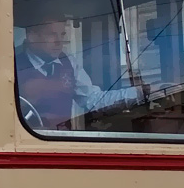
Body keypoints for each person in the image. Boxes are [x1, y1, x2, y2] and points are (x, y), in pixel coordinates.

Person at [14, 17, 146, 130]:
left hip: (61, 141)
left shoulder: (69, 63)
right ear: (32, 36)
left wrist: (141, 92)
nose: (59, 42)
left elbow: (93, 100)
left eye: (62, 34)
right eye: (51, 34)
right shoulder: (13, 64)